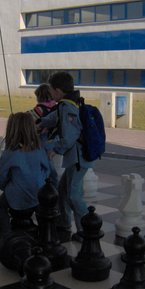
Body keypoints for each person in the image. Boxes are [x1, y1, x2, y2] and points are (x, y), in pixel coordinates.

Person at [38, 71, 94, 243]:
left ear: (57, 90)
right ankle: (64, 223)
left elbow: (70, 135)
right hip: (75, 158)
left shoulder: (68, 107)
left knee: (73, 195)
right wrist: (38, 123)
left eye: (52, 91)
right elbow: (54, 118)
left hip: (79, 158)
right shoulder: (66, 104)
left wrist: (56, 149)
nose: (51, 95)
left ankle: (87, 229)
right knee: (63, 191)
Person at [0, 112, 52, 238]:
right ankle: (46, 236)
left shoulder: (10, 153)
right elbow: (47, 169)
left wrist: (6, 187)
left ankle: (4, 236)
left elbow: (1, 177)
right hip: (38, 192)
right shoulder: (39, 148)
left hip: (16, 195)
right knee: (43, 210)